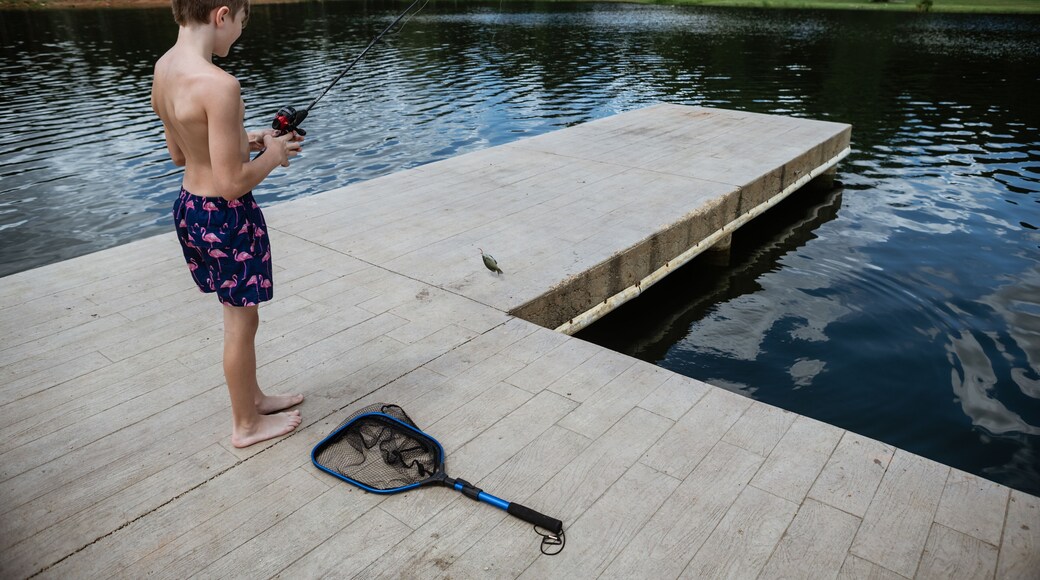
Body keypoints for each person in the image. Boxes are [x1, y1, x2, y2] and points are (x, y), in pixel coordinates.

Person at [152, 0, 305, 447]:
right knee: (240, 322)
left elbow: (181, 153)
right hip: (226, 217)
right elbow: (232, 183)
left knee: (242, 316)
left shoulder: (164, 69)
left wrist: (246, 138)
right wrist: (273, 156)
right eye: (241, 22)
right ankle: (245, 424)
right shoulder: (220, 85)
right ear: (222, 15)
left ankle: (252, 396)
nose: (238, 33)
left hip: (190, 209)